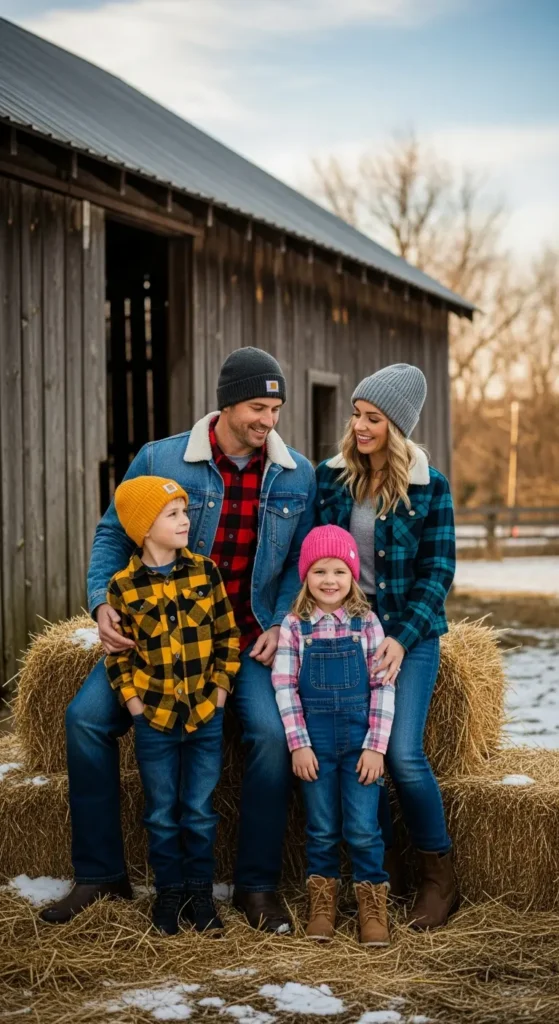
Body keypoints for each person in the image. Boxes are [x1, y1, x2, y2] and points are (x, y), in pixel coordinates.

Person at [40, 347, 316, 931]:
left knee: (271, 734)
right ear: (225, 404)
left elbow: (298, 561)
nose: (268, 421)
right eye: (256, 407)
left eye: (276, 408)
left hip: (243, 640)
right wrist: (101, 606)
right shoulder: (161, 458)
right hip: (154, 640)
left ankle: (257, 886)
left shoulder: (297, 474)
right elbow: (112, 535)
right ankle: (99, 874)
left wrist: (280, 624)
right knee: (84, 720)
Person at [315, 364, 458, 931]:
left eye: (372, 418)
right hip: (346, 636)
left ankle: (439, 878)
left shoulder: (430, 487)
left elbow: (438, 571)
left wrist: (400, 638)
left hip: (410, 635)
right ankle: (386, 869)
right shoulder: (334, 480)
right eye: (355, 414)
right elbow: (319, 555)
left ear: (397, 425)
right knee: (355, 754)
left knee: (400, 754)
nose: (358, 426)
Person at [104, 476, 240, 936]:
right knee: (161, 813)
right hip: (154, 720)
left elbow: (227, 637)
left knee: (199, 810)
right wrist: (134, 705)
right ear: (144, 528)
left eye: (184, 511)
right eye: (174, 514)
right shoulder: (122, 587)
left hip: (205, 715)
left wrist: (220, 693)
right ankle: (169, 894)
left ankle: (201, 895)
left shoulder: (205, 572)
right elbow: (118, 656)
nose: (187, 520)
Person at [272, 525, 395, 945]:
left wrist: (377, 748)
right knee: (322, 827)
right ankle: (321, 901)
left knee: (363, 827)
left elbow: (382, 687)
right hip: (316, 745)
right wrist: (299, 744)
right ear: (305, 575)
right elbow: (285, 686)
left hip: (362, 744)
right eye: (319, 570)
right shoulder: (294, 626)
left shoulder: (367, 623)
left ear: (353, 575)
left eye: (339, 571)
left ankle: (371, 903)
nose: (329, 580)